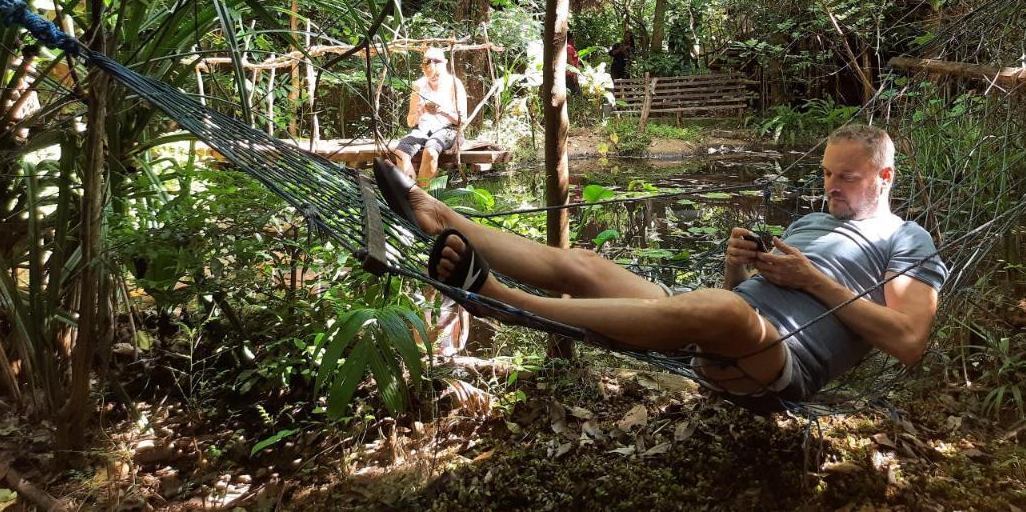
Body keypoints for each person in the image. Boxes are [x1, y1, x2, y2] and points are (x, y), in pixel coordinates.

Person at [377, 124, 947, 404]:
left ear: (884, 177)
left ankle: (507, 302)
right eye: (826, 173)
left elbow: (908, 341)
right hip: (723, 324)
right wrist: (739, 268)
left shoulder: (908, 239)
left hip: (778, 366)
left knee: (723, 310)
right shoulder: (810, 224)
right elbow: (745, 296)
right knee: (588, 265)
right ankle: (440, 214)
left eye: (845, 177)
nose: (830, 187)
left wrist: (811, 279)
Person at [391, 46, 468, 188]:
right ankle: (411, 190)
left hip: (449, 129)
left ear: (444, 65)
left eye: (436, 75)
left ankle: (423, 194)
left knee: (431, 151)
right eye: (429, 76)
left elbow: (462, 120)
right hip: (423, 130)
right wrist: (420, 111)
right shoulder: (419, 85)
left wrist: (441, 111)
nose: (433, 79)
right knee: (400, 152)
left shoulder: (454, 84)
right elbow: (410, 121)